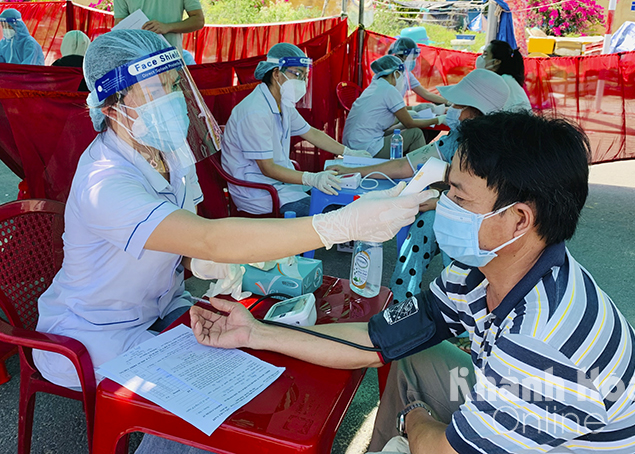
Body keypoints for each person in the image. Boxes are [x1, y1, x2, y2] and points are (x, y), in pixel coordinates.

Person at [32, 30, 434, 454]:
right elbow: (209, 236)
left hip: (159, 308)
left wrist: (196, 263)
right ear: (114, 106)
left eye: (174, 86)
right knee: (207, 407)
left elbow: (187, 234)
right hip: (93, 331)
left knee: (250, 356)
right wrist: (339, 225)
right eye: (157, 90)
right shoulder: (106, 180)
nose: (171, 100)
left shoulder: (165, 152)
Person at [192, 111, 635, 454]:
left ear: (518, 221)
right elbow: (379, 338)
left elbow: (446, 451)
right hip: (535, 412)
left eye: (457, 197)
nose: (440, 206)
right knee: (414, 355)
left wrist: (416, 420)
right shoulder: (479, 271)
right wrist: (256, 333)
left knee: (423, 434)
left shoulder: (543, 340)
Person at [331, 69, 510, 305]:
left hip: (490, 222)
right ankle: (402, 304)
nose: (451, 110)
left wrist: (440, 202)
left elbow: (491, 199)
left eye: (456, 105)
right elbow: (405, 165)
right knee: (426, 224)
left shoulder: (501, 149)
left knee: (450, 226)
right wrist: (353, 170)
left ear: (473, 112)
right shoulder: (456, 138)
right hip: (456, 210)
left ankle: (463, 315)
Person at [221, 42, 372, 217]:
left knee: (343, 202)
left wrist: (349, 152)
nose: (303, 82)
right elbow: (267, 169)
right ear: (277, 73)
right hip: (260, 192)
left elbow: (311, 133)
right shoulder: (254, 111)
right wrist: (311, 178)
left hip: (281, 184)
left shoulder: (282, 103)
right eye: (298, 74)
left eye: (305, 76)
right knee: (335, 213)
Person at [343, 55, 446, 159]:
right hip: (365, 147)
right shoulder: (389, 90)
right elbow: (409, 123)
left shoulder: (376, 86)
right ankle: (418, 168)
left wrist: (414, 110)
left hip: (354, 144)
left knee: (403, 128)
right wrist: (438, 120)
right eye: (401, 74)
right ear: (395, 73)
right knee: (415, 133)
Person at [113, 0, 205, 52]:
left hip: (170, 59)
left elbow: (198, 20)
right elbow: (120, 28)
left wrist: (168, 27)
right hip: (138, 60)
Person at [387, 37, 449, 107]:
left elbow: (425, 94)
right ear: (404, 56)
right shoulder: (388, 75)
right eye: (412, 59)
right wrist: (413, 109)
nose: (414, 62)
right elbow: (391, 106)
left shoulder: (406, 74)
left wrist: (448, 102)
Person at [476, 39, 532, 112]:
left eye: (485, 54)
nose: (481, 58)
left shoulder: (502, 81)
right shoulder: (505, 78)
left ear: (496, 61)